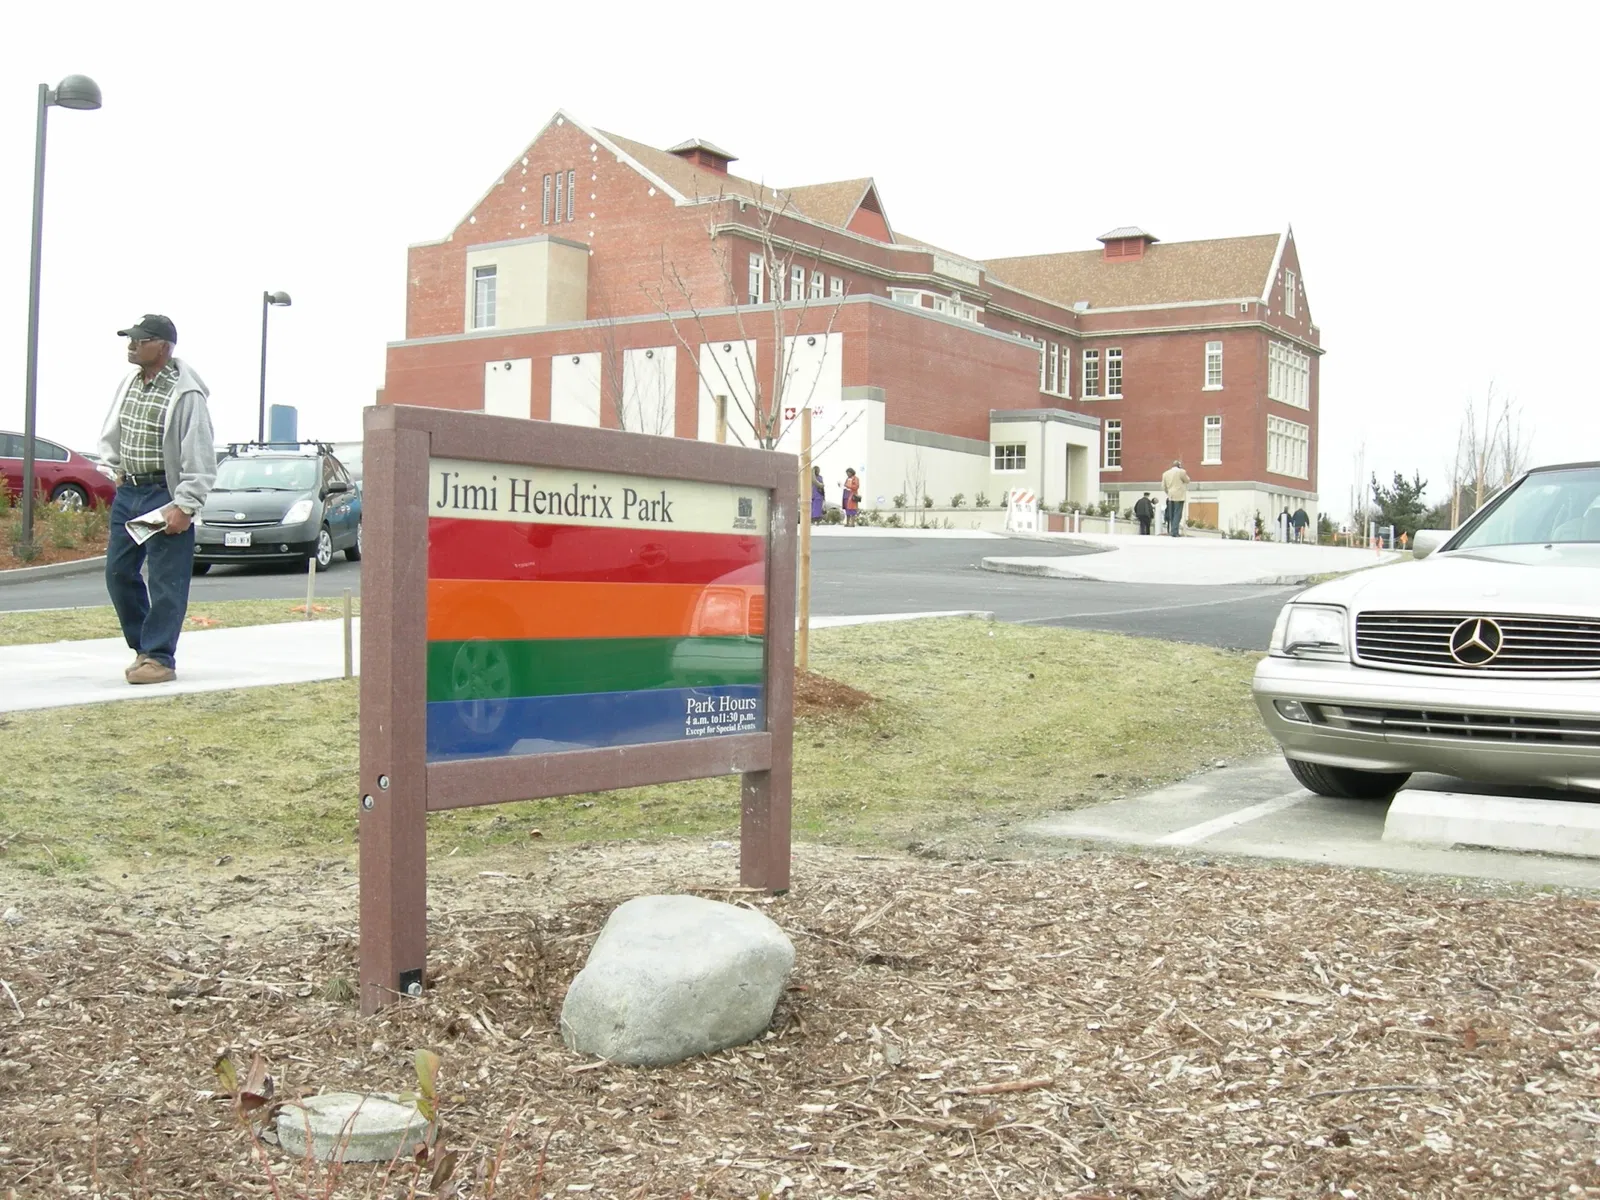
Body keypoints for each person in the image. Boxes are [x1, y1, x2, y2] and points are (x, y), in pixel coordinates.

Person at [97, 315, 217, 685]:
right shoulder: (131, 383)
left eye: (141, 339)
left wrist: (186, 504)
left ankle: (160, 658)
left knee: (166, 581)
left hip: (164, 496)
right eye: (131, 339)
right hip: (129, 492)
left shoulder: (186, 393)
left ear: (163, 347)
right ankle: (145, 649)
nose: (132, 345)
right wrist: (112, 467)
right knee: (118, 574)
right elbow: (115, 430)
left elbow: (199, 453)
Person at [1160, 459, 1190, 537]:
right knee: (1178, 514)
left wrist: (1168, 492)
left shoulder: (1165, 473)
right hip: (1179, 496)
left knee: (1172, 514)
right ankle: (1174, 531)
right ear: (1179, 466)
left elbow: (1163, 486)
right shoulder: (1181, 472)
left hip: (1170, 495)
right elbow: (1187, 480)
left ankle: (1172, 530)